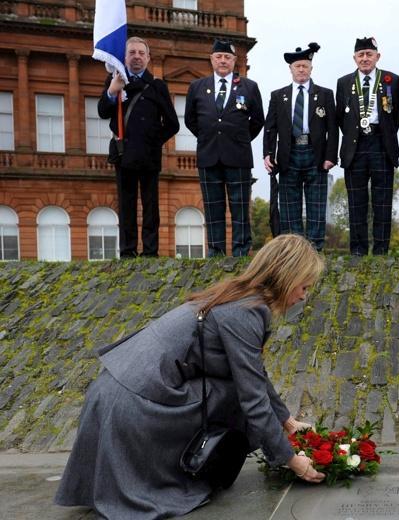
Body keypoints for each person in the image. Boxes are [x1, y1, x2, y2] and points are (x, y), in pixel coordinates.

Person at [54, 234, 326, 519]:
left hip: (116, 392)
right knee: (235, 393)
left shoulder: (237, 295)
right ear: (286, 277)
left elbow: (255, 372)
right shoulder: (245, 311)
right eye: (304, 286)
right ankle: (201, 463)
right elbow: (252, 396)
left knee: (237, 386)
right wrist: (291, 459)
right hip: (132, 403)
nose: (303, 296)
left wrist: (287, 421)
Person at [98, 36, 179, 258]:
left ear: (148, 58)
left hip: (149, 156)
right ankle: (127, 250)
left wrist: (154, 140)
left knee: (151, 206)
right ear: (124, 57)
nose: (136, 56)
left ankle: (151, 251)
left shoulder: (157, 86)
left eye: (141, 53)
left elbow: (173, 124)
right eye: (132, 52)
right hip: (123, 154)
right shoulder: (115, 80)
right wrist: (112, 91)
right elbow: (102, 112)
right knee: (126, 205)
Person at [185, 39, 264, 257]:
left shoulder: (249, 87)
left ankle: (240, 250)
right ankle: (216, 250)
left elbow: (258, 120)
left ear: (234, 61)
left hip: (238, 156)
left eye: (227, 57)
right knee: (213, 208)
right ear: (211, 59)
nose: (223, 61)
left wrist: (239, 139)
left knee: (240, 208)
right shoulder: (197, 87)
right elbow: (191, 120)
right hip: (208, 155)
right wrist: (209, 137)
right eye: (219, 57)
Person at [264, 43, 338, 252]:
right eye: (297, 66)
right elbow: (270, 127)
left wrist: (330, 156)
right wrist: (268, 154)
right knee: (289, 206)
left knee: (316, 205)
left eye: (305, 66)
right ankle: (294, 252)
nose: (301, 70)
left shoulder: (324, 94)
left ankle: (315, 250)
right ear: (291, 69)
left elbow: (333, 128)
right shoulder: (278, 96)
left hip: (316, 154)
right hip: (288, 155)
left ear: (311, 68)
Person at [336, 37, 399, 256]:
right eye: (361, 55)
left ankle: (381, 249)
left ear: (377, 56)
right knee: (356, 201)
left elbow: (396, 116)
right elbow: (340, 118)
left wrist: (383, 135)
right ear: (354, 58)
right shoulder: (344, 82)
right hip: (355, 145)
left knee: (382, 200)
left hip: (381, 143)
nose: (365, 58)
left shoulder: (391, 80)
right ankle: (358, 250)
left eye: (369, 54)